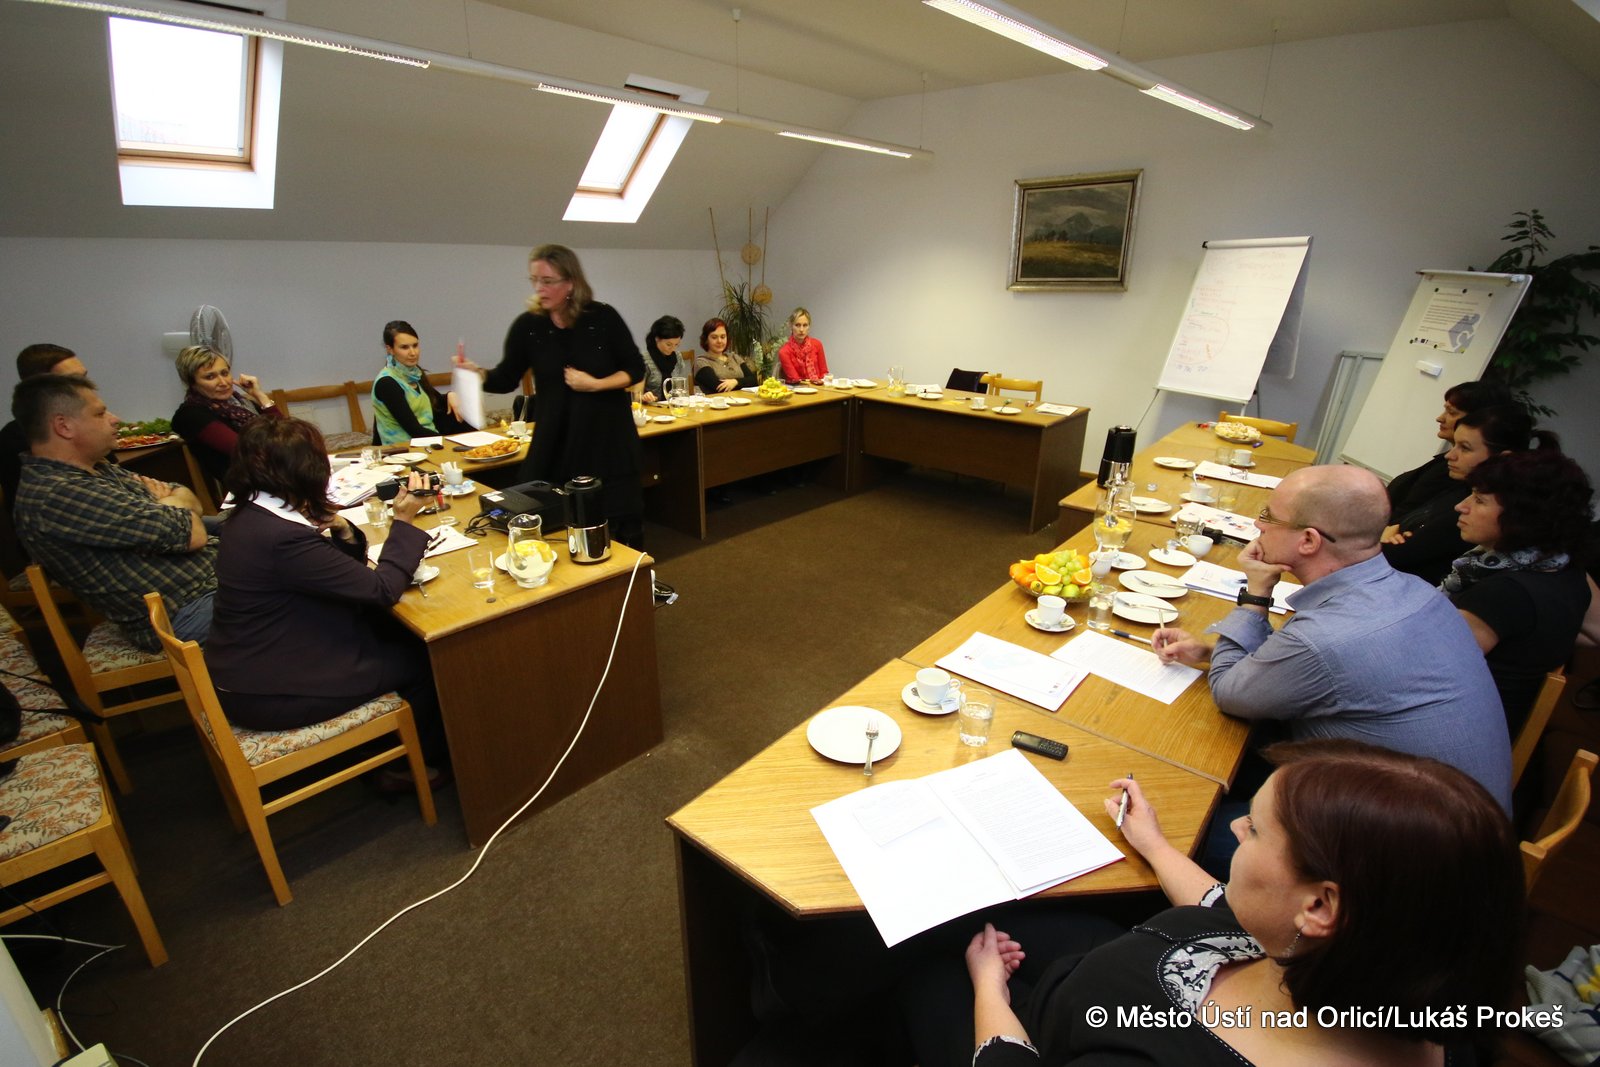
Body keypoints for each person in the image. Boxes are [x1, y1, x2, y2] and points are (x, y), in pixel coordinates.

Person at [912, 739, 1522, 1067]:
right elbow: (1223, 908)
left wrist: (989, 990)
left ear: (1320, 908)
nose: (1235, 829)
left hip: (1036, 1030)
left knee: (922, 970)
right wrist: (1152, 843)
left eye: (1254, 830)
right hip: (1096, 981)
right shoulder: (1384, 963)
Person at [1152, 464, 1512, 812]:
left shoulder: (1326, 638)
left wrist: (1256, 594)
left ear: (1309, 540)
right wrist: (1212, 652)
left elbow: (1231, 693)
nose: (1258, 525)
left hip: (1395, 845)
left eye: (1268, 516)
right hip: (1459, 823)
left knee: (1176, 796)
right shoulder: (1416, 592)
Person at [203, 417, 446, 772]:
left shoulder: (250, 515)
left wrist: (343, 529)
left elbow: (335, 579)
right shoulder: (281, 537)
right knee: (426, 659)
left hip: (252, 667)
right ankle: (408, 767)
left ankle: (386, 750)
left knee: (390, 633)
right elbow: (381, 590)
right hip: (272, 692)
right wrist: (404, 520)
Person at [456, 244, 647, 549]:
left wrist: (596, 384)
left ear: (570, 282)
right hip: (556, 439)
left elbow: (634, 369)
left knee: (615, 519)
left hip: (606, 438)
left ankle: (629, 571)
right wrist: (476, 373)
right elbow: (506, 377)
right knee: (551, 520)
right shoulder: (528, 326)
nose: (539, 288)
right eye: (534, 280)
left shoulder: (603, 317)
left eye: (547, 281)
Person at [11, 374, 215, 650]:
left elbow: (187, 498)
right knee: (279, 589)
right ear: (64, 426)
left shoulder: (95, 468)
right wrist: (172, 507)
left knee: (261, 529)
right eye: (100, 413)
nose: (115, 419)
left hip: (210, 583)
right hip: (183, 613)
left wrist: (167, 505)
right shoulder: (56, 494)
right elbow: (193, 533)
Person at [1446, 449, 1593, 734]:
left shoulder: (1504, 593)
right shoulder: (1566, 570)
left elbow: (1424, 672)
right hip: (1502, 721)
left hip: (1465, 730)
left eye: (1479, 500)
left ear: (1523, 516)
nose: (1461, 506)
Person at [1384, 399, 1553, 585]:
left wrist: (1384, 539)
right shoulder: (1456, 487)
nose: (1450, 455)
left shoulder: (1480, 511)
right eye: (1455, 445)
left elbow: (1398, 554)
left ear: (1502, 457)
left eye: (1465, 448)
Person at [170, 343, 283, 484]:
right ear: (192, 383)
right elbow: (249, 451)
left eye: (224, 373)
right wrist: (284, 447)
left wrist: (260, 395)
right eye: (210, 377)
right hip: (251, 485)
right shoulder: (191, 414)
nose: (223, 382)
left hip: (278, 473)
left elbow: (287, 433)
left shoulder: (241, 403)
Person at [0, 343, 88, 513]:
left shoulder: (84, 422)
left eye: (84, 378)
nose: (87, 388)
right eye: (74, 381)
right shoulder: (16, 439)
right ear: (39, 388)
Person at [371, 320, 471, 444]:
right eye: (404, 347)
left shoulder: (414, 374)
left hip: (429, 443)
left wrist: (450, 395)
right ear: (390, 349)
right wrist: (450, 443)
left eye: (415, 345)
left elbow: (435, 401)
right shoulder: (387, 383)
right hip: (403, 449)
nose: (413, 353)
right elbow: (414, 430)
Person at [693, 317, 759, 394]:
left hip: (743, 400)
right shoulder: (701, 362)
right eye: (714, 337)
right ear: (706, 340)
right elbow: (719, 387)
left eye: (723, 337)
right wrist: (744, 383)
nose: (719, 341)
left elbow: (754, 381)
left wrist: (735, 382)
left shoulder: (734, 357)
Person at [639, 315, 688, 404]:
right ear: (657, 339)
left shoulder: (677, 357)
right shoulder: (644, 360)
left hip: (674, 406)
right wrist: (644, 397)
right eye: (669, 344)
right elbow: (636, 395)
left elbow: (681, 388)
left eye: (676, 345)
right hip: (652, 407)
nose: (673, 349)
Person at [777, 307, 828, 383]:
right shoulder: (784, 352)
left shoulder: (817, 344)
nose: (801, 329)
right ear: (791, 326)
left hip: (819, 387)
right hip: (796, 388)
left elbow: (824, 373)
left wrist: (822, 383)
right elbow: (795, 379)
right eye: (797, 325)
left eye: (805, 325)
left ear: (809, 326)